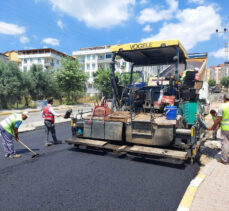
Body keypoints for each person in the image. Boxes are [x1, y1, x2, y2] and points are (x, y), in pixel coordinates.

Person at [209, 93, 229, 164]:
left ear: (224, 99)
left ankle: (224, 159)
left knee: (225, 143)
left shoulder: (222, 106)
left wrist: (212, 127)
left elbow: (218, 120)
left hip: (226, 128)